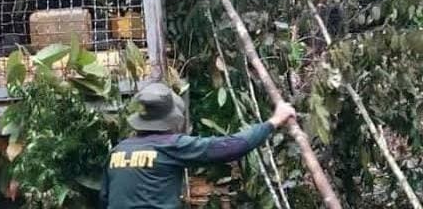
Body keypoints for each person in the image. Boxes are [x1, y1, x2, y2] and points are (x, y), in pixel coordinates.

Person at [100, 82, 296, 209]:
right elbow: (231, 147)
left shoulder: (118, 151)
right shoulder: (171, 146)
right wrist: (273, 122)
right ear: (171, 120)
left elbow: (104, 200)